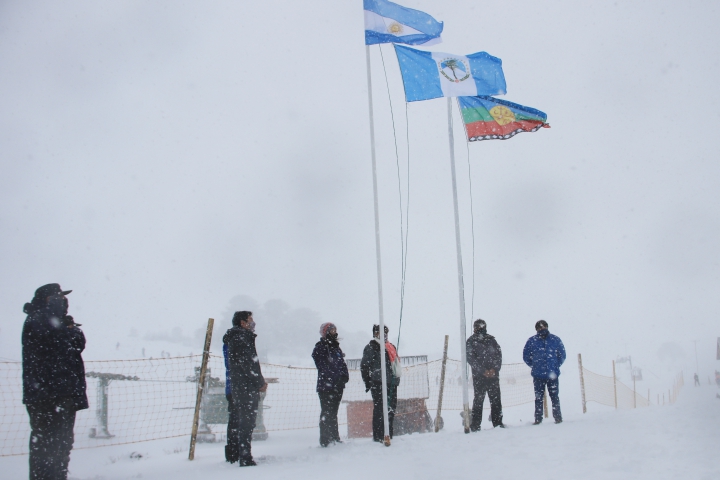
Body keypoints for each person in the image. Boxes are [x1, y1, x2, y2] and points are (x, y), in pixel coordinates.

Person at [22, 283, 88, 480]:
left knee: (61, 445)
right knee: (46, 448)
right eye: (60, 297)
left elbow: (77, 344)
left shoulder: (53, 320)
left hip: (61, 394)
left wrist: (69, 327)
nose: (65, 301)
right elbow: (60, 345)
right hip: (47, 395)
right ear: (48, 299)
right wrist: (62, 321)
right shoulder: (38, 318)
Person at [223, 311, 268, 467]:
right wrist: (259, 382)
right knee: (246, 422)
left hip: (238, 385)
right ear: (242, 322)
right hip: (245, 386)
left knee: (238, 421)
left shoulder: (235, 337)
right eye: (250, 320)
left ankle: (235, 454)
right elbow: (249, 364)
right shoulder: (241, 338)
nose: (253, 323)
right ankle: (245, 457)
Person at [361, 324, 401, 443]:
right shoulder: (371, 347)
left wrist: (396, 379)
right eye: (379, 332)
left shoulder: (391, 346)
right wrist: (368, 382)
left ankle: (389, 434)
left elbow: (396, 364)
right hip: (378, 383)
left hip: (392, 382)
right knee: (379, 409)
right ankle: (378, 436)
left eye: (385, 332)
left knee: (391, 408)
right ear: (375, 334)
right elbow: (364, 366)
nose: (383, 335)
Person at [312, 322, 349, 447]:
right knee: (327, 412)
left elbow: (341, 364)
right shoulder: (320, 347)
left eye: (335, 330)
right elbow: (322, 366)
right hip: (326, 386)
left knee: (334, 412)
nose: (334, 332)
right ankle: (325, 439)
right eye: (332, 330)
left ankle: (335, 437)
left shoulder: (336, 347)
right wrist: (333, 378)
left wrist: (344, 376)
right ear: (326, 332)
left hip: (338, 386)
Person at [523, 320, 566, 425]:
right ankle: (538, 419)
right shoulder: (532, 341)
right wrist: (535, 365)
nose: (542, 329)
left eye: (543, 327)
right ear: (536, 329)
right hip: (538, 375)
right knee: (538, 398)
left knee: (554, 396)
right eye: (539, 327)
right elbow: (526, 356)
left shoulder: (555, 340)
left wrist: (555, 365)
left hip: (553, 375)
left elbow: (562, 355)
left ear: (547, 327)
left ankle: (558, 417)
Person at [466, 319, 504, 431]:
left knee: (496, 400)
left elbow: (499, 356)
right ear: (474, 328)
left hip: (493, 377)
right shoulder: (471, 341)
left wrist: (494, 369)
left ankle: (498, 423)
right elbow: (471, 359)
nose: (480, 329)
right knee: (478, 400)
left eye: (482, 326)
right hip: (479, 377)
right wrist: (483, 371)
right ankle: (476, 425)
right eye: (478, 327)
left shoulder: (492, 340)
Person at [222, 340, 240, 463]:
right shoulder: (234, 342)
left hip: (235, 387)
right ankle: (234, 453)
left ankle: (235, 452)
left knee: (236, 421)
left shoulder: (232, 342)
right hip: (237, 388)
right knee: (236, 421)